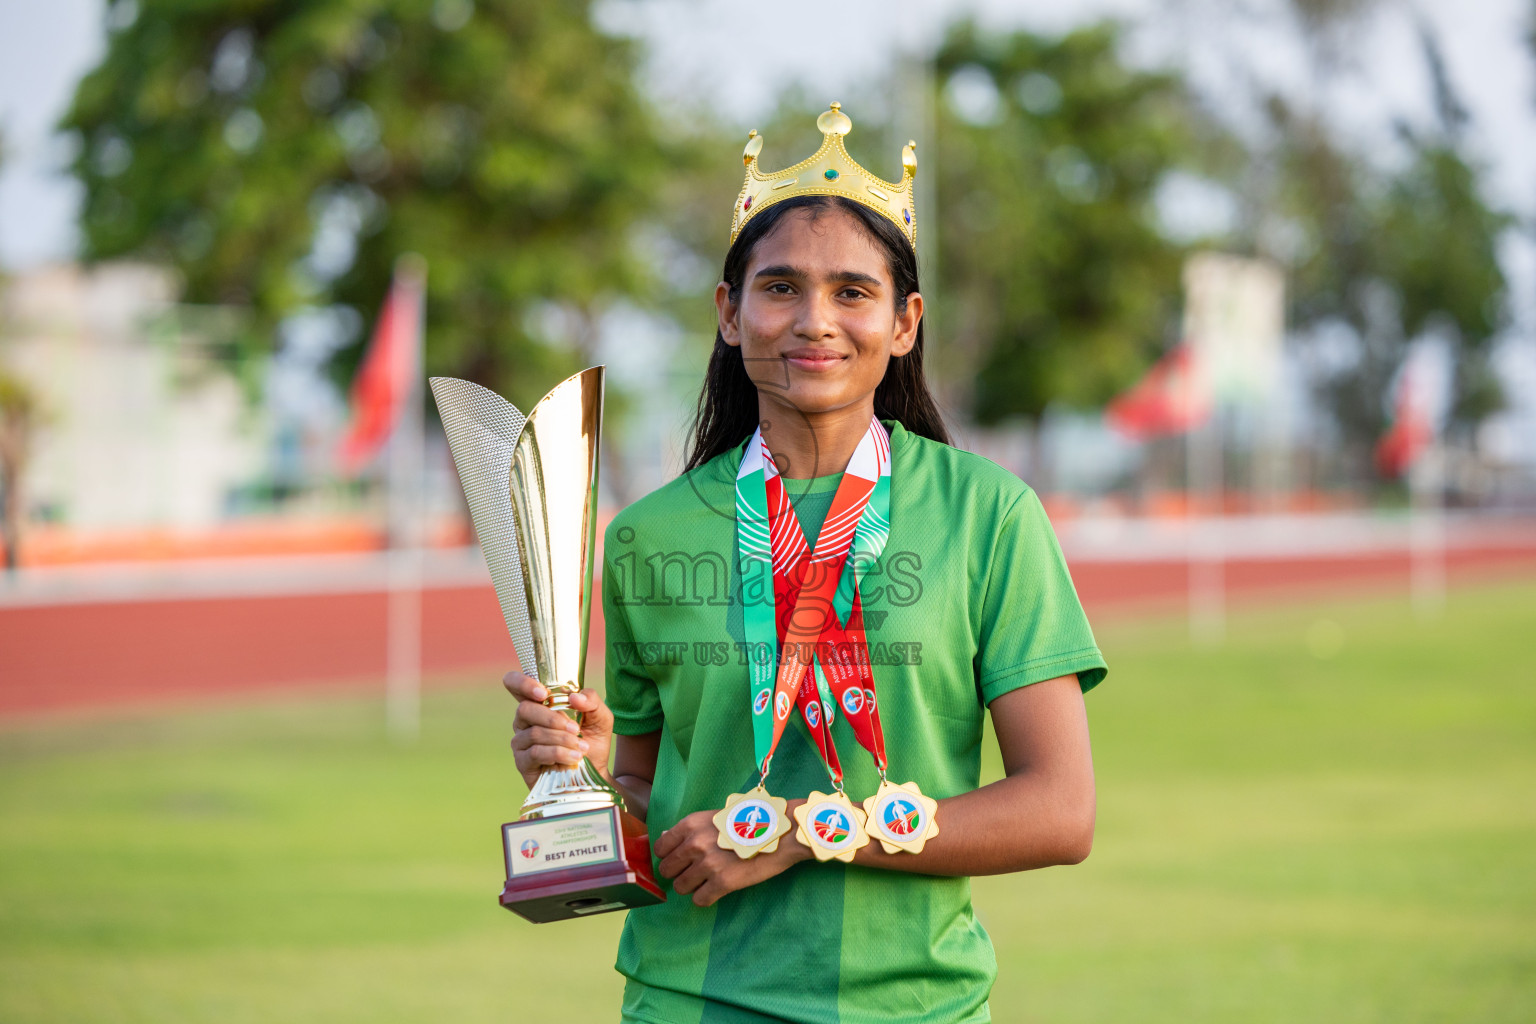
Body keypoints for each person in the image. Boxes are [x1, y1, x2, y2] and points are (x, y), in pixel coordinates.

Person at [505, 103, 1107, 1024]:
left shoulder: (988, 515)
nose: (814, 322)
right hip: (687, 1001)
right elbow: (648, 802)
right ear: (728, 312)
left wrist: (804, 831)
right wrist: (584, 779)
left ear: (905, 323)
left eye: (853, 293)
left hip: (915, 1005)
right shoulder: (647, 536)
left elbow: (1060, 811)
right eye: (779, 288)